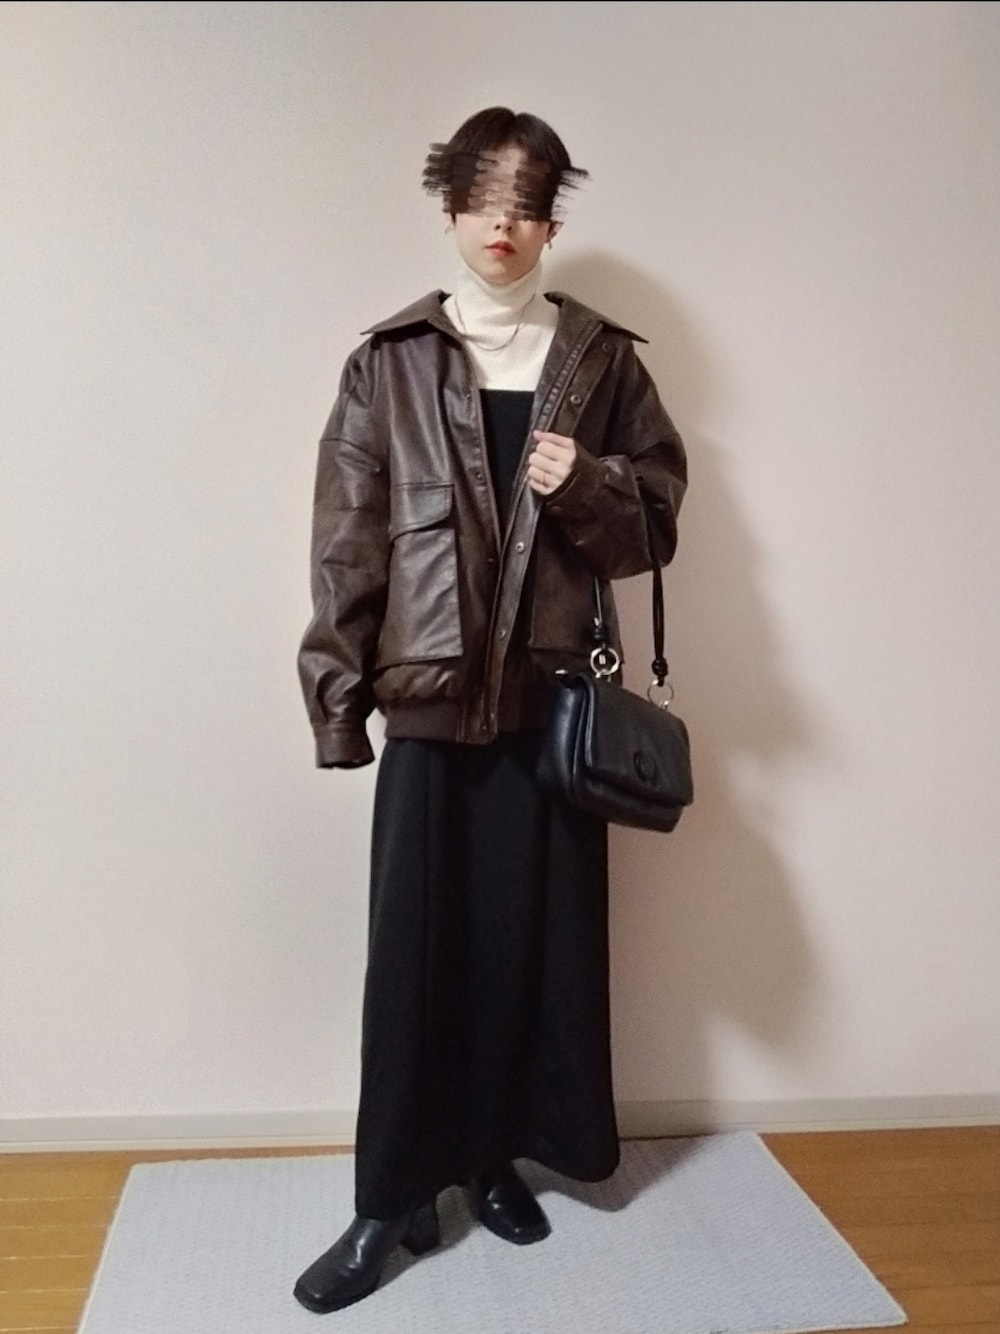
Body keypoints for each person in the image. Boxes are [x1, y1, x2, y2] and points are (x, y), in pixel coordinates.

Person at [293, 106, 688, 1315]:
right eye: (481, 201)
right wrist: (336, 699)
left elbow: (655, 522)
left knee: (530, 948)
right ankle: (389, 1197)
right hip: (427, 700)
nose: (501, 225)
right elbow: (346, 542)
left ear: (549, 221)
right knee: (414, 960)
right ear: (450, 209)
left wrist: (595, 483)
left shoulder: (601, 360)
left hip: (551, 704)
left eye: (524, 205)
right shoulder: (388, 361)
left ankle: (492, 1157)